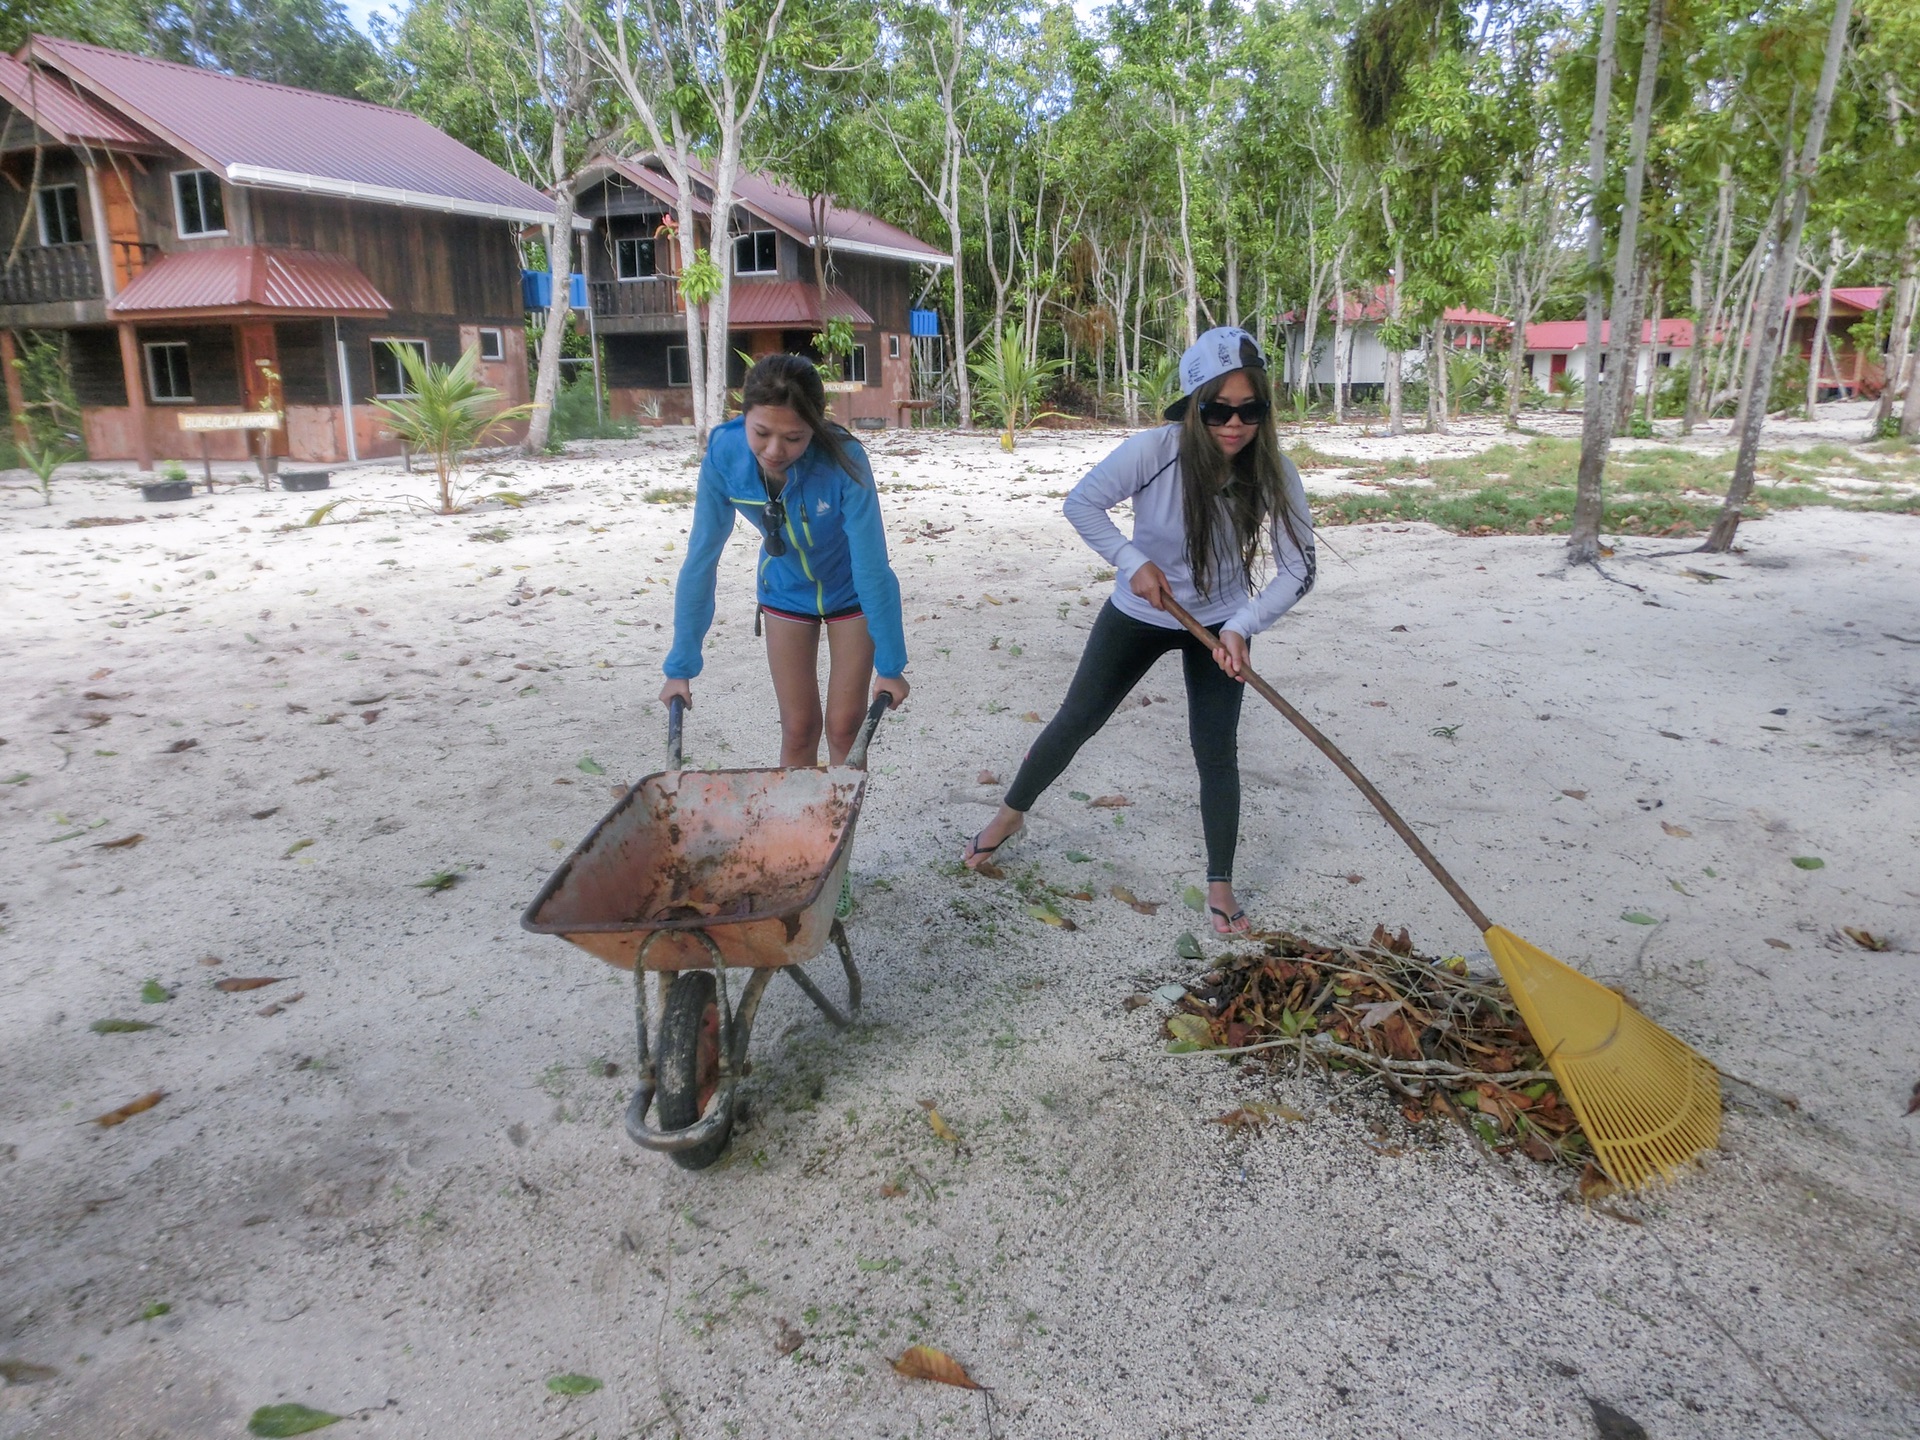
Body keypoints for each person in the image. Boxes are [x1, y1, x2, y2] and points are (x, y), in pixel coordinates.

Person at [962, 328, 1315, 935]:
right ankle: (1010, 815)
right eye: (1218, 410)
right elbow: (1082, 504)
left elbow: (1300, 567)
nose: (1234, 425)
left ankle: (1220, 881)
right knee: (1077, 719)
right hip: (1140, 610)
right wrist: (1133, 562)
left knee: (1216, 750)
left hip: (1222, 622)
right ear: (1193, 405)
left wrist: (1242, 625)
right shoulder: (1157, 450)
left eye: (1250, 410)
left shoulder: (1274, 471)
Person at [662, 355, 910, 911]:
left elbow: (874, 566)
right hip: (786, 593)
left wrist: (892, 663)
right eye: (762, 433)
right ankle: (798, 856)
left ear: (815, 428)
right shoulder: (725, 455)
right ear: (743, 417)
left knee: (846, 728)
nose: (775, 450)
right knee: (800, 728)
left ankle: (837, 862)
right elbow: (701, 560)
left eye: (794, 437)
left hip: (851, 594)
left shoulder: (844, 460)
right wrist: (681, 665)